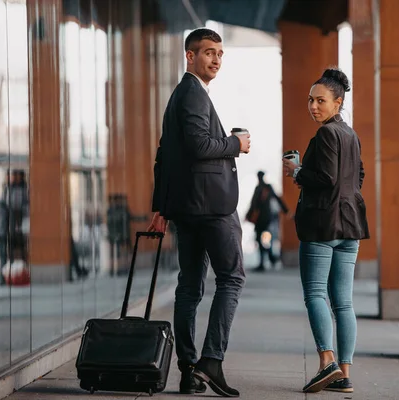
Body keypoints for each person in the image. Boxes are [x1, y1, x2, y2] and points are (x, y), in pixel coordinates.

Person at [147, 28, 251, 397]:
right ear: (190, 56)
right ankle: (211, 360)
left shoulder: (184, 95)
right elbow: (198, 145)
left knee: (189, 287)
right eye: (209, 52)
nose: (216, 59)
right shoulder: (192, 93)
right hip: (211, 207)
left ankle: (188, 371)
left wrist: (160, 207)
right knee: (232, 278)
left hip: (186, 208)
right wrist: (235, 144)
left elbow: (164, 155)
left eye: (220, 53)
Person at [282, 68, 370, 394]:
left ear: (338, 102)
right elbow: (356, 177)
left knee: (316, 294)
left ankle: (326, 362)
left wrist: (297, 171)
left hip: (322, 226)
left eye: (321, 100)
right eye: (310, 100)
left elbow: (327, 179)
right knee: (343, 303)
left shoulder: (326, 135)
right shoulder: (351, 134)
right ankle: (344, 374)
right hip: (350, 226)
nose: (313, 106)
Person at [245, 171, 288, 271]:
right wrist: (286, 211)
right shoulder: (266, 188)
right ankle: (270, 258)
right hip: (264, 218)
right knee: (262, 240)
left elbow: (254, 204)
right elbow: (277, 199)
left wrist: (286, 211)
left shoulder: (263, 188)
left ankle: (266, 261)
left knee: (262, 240)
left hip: (263, 219)